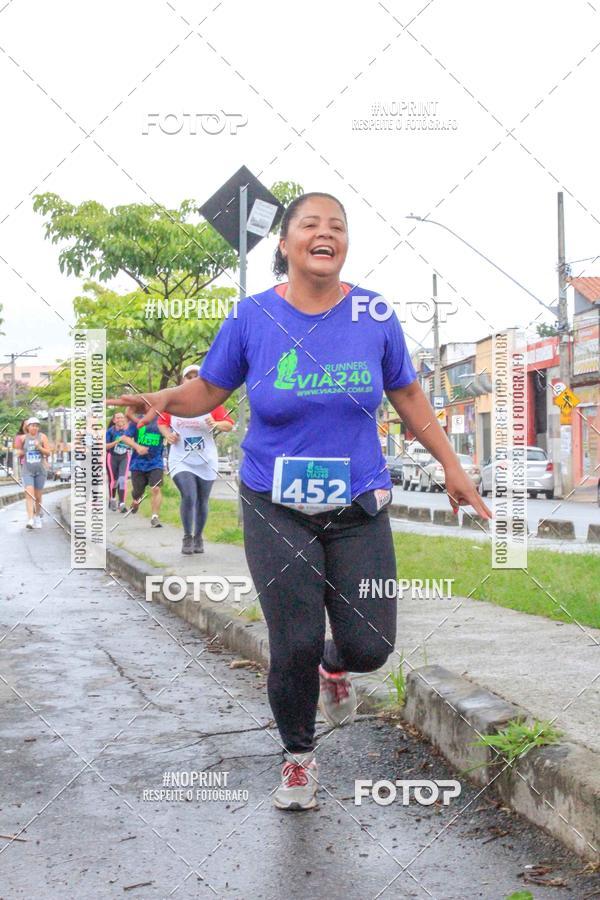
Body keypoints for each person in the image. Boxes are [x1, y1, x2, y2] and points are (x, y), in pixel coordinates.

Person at [108, 192, 491, 811]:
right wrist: (160, 399)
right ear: (284, 245)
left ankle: (333, 663)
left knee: (371, 648)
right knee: (294, 641)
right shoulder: (252, 316)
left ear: (344, 245)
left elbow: (409, 395)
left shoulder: (374, 314)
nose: (325, 233)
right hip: (274, 503)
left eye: (337, 226)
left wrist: (453, 466)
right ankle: (297, 760)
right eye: (310, 225)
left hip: (358, 503)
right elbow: (207, 389)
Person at [158, 364, 234, 555]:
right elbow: (162, 422)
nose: (192, 379)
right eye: (188, 376)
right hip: (180, 459)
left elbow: (229, 425)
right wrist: (167, 434)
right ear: (183, 381)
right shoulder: (174, 403)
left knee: (202, 500)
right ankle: (187, 537)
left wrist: (216, 423)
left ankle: (198, 536)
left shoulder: (212, 403)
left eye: (196, 376)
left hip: (206, 459)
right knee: (189, 495)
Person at [123, 412, 165, 527]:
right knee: (138, 493)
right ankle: (136, 500)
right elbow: (125, 437)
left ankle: (155, 517)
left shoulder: (162, 420)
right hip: (138, 463)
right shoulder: (138, 420)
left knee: (156, 488)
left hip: (156, 462)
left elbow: (171, 434)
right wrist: (137, 447)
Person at [17, 417, 51, 529]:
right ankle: (30, 519)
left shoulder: (42, 437)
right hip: (27, 470)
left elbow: (48, 452)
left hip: (40, 470)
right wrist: (20, 452)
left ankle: (37, 516)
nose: (34, 427)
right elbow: (18, 452)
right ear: (28, 427)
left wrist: (39, 447)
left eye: (37, 426)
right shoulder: (22, 438)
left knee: (38, 496)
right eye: (32, 425)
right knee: (29, 494)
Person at [105, 412, 131, 512]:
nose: (120, 419)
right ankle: (112, 499)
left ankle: (122, 503)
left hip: (124, 456)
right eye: (118, 418)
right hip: (112, 457)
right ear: (114, 420)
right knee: (114, 481)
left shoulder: (128, 431)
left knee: (122, 479)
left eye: (122, 417)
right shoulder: (110, 432)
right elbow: (106, 446)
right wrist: (117, 441)